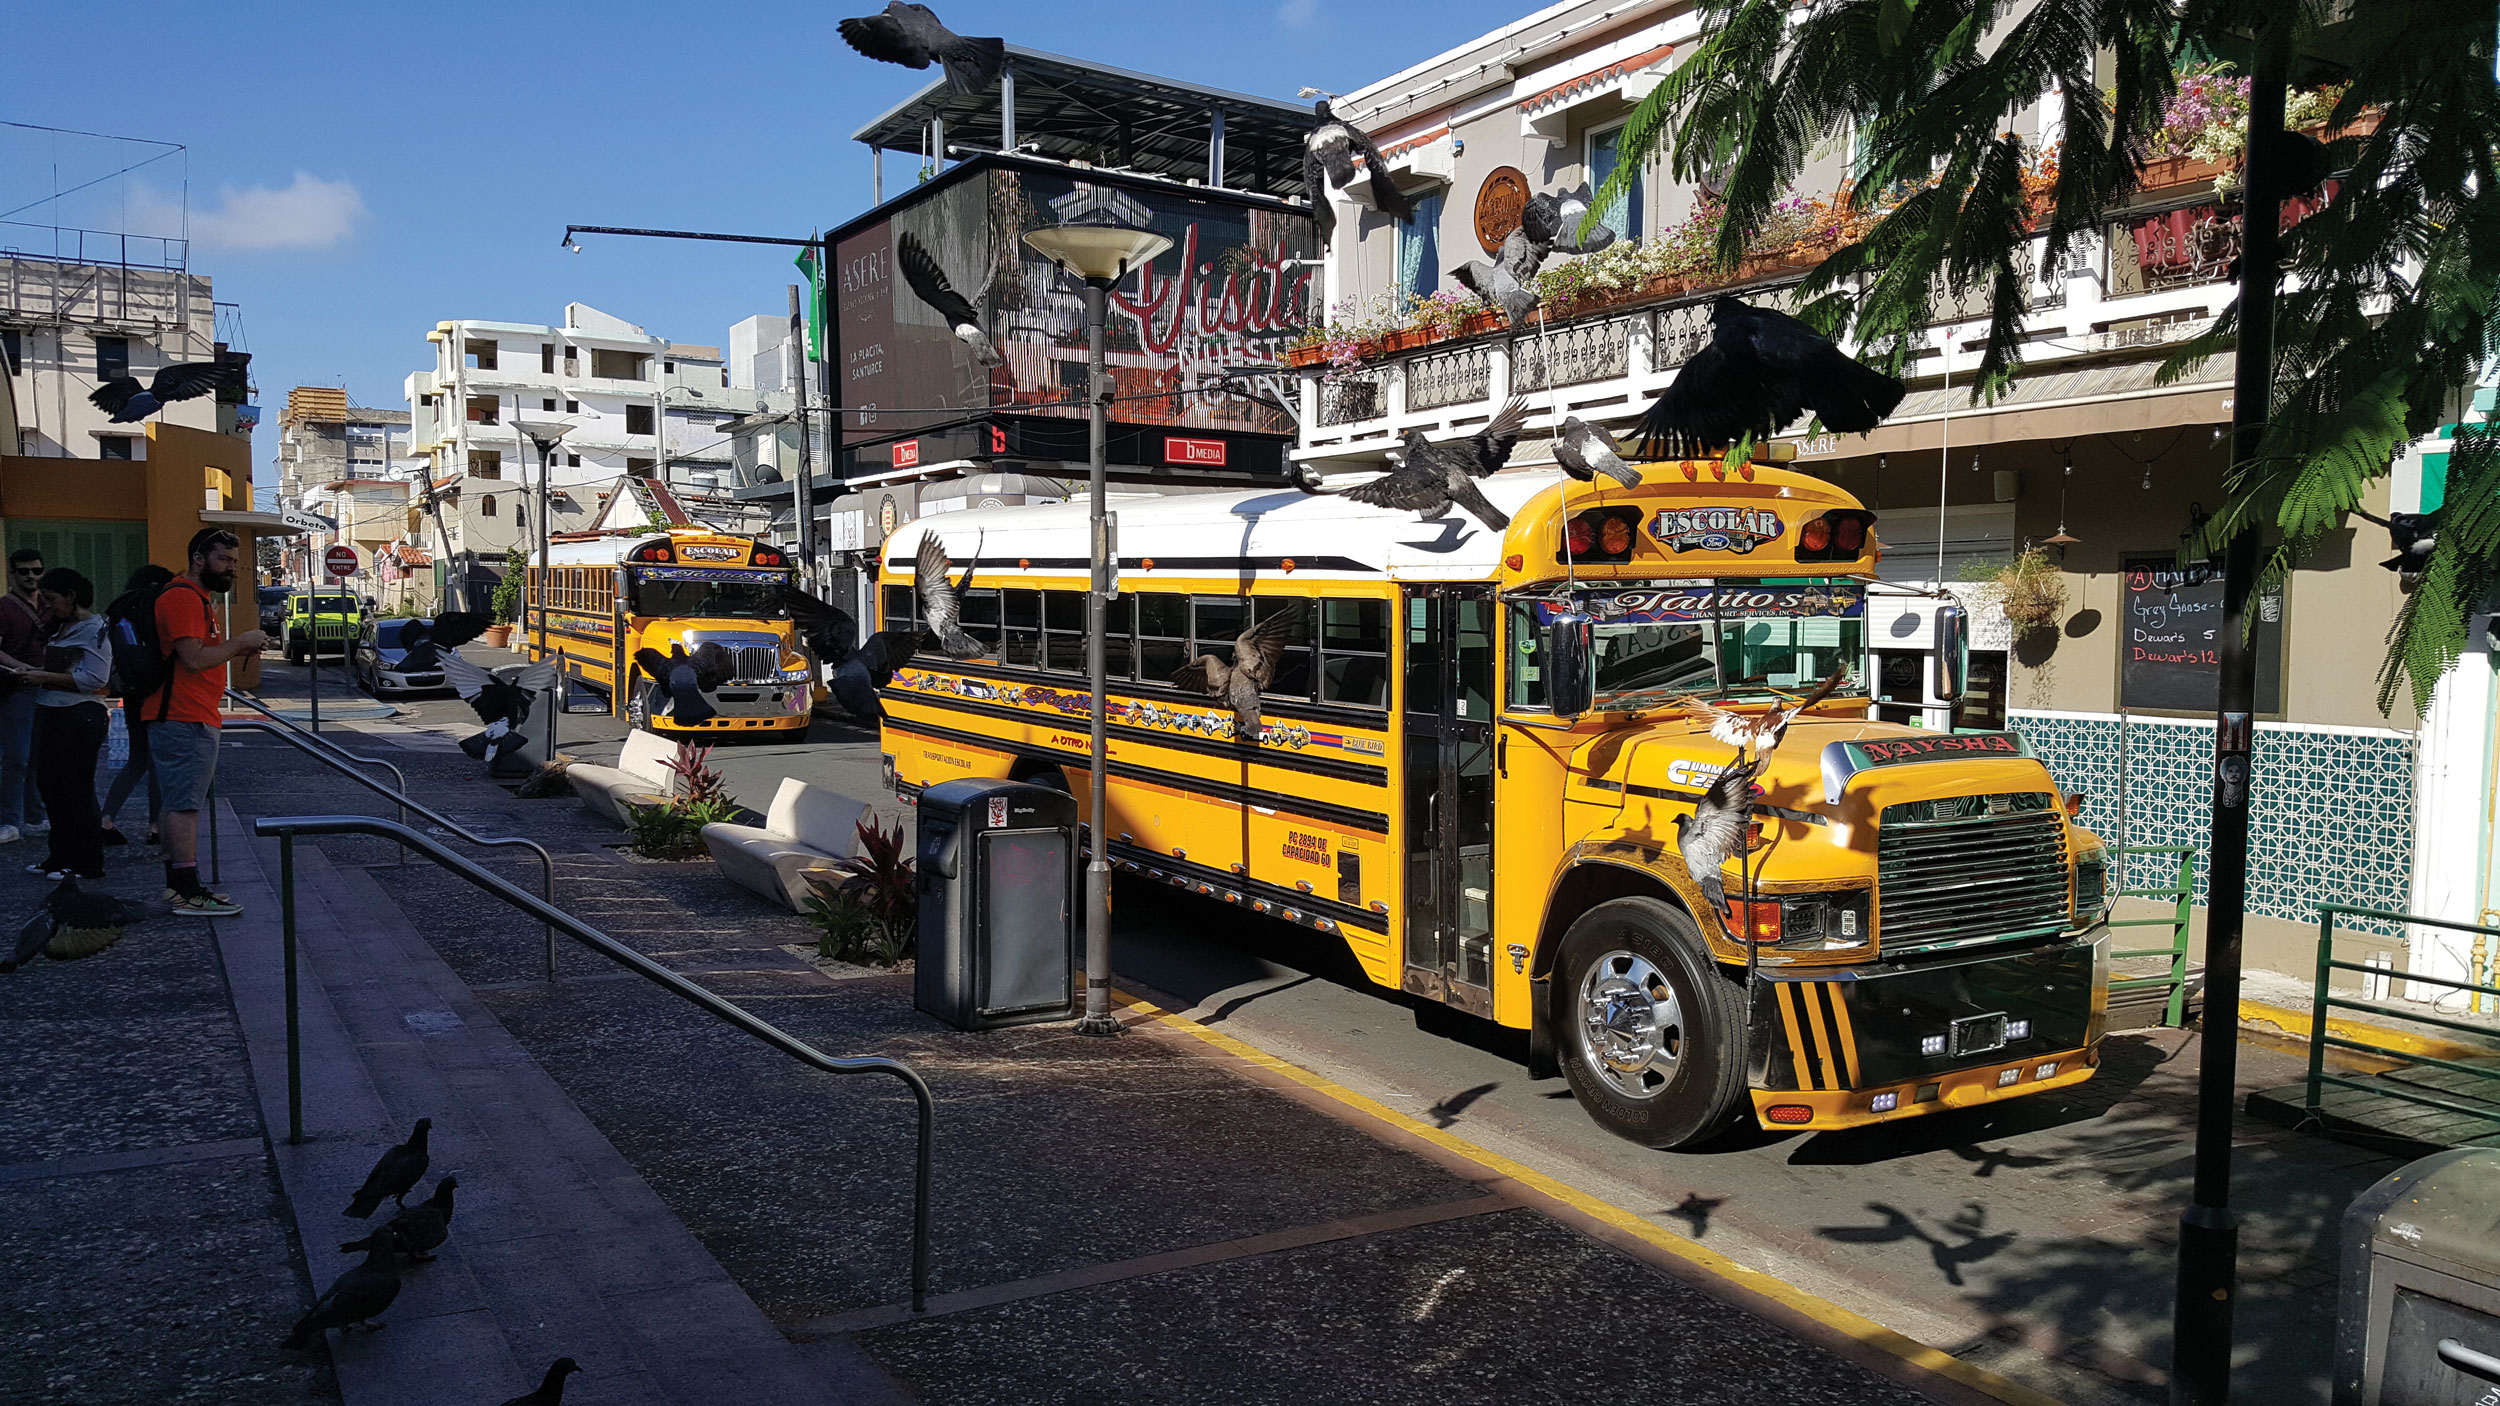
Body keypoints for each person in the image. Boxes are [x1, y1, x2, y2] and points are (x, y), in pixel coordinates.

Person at [153, 529, 267, 915]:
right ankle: (187, 891)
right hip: (184, 716)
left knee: (176, 803)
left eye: (235, 561)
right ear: (199, 559)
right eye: (224, 560)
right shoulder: (184, 597)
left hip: (186, 713)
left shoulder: (196, 598)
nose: (231, 568)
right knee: (185, 806)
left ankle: (178, 886)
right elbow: (194, 659)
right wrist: (240, 642)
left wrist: (236, 647)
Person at [18, 568, 112, 881]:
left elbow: (95, 678)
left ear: (71, 596)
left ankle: (87, 861)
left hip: (79, 715)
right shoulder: (61, 627)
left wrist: (44, 677)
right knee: (51, 786)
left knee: (76, 789)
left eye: (51, 599)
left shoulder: (95, 628)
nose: (47, 605)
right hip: (51, 711)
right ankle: (59, 855)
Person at [97, 564, 175, 848]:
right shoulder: (157, 607)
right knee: (157, 764)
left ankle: (106, 818)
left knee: (137, 760)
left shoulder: (120, 608)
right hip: (157, 692)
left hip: (131, 692)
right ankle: (155, 826)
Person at [0, 546, 49, 844]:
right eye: (24, 571)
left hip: (45, 687)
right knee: (17, 756)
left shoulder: (49, 604)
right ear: (12, 573)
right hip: (16, 689)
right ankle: (9, 820)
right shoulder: (4, 607)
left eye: (36, 570)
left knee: (36, 757)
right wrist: (22, 668)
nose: (31, 576)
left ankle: (33, 817)